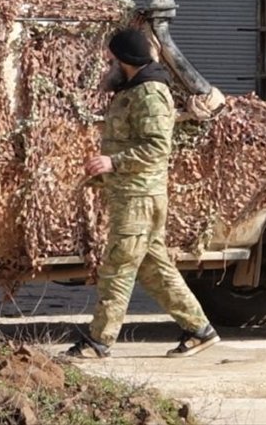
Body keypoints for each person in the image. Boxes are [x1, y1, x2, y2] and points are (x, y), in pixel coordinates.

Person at [64, 27, 220, 359]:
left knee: (117, 268)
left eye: (112, 58)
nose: (109, 65)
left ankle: (99, 342)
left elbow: (157, 148)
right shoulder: (135, 89)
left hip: (140, 198)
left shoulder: (149, 93)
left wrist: (113, 162)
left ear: (125, 60)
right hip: (133, 194)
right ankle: (199, 330)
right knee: (153, 267)